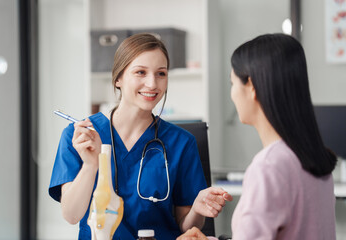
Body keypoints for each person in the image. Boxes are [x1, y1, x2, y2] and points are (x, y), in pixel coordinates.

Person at [49, 33, 232, 240]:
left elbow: (186, 227)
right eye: (141, 72)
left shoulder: (181, 143)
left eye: (161, 74)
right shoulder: (80, 136)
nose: (152, 84)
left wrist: (197, 209)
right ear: (118, 79)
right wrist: (91, 165)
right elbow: (72, 215)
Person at [177, 33, 337, 240]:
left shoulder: (269, 167)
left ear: (251, 86)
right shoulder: (316, 159)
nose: (232, 94)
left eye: (232, 83)